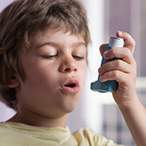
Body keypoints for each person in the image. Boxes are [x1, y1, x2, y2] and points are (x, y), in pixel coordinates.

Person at [0, 0, 145, 146]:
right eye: (50, 54)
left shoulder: (90, 142)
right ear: (10, 73)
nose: (71, 64)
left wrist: (129, 102)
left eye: (78, 55)